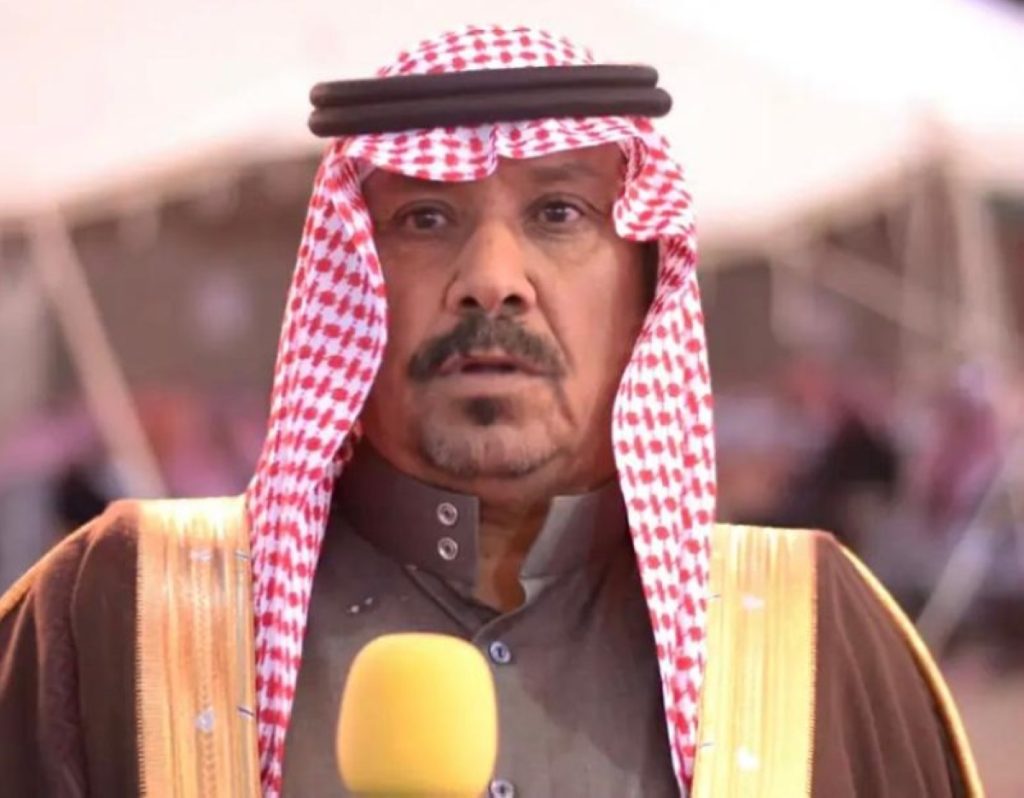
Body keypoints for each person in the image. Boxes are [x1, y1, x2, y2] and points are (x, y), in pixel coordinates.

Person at [0, 25, 981, 797]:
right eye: (425, 218)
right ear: (348, 278)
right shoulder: (117, 614)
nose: (492, 279)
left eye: (559, 214)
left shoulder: (813, 634)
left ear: (644, 289)